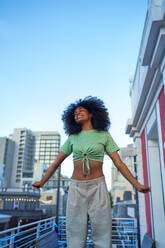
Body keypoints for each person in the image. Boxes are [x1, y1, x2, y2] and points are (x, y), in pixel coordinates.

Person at [32, 96, 150, 248]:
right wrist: (42, 182)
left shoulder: (104, 135)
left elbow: (119, 163)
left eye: (81, 110)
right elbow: (56, 163)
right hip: (76, 188)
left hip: (98, 186)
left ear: (91, 114)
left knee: (102, 232)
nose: (77, 114)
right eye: (74, 113)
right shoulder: (73, 138)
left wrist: (137, 184)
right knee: (75, 233)